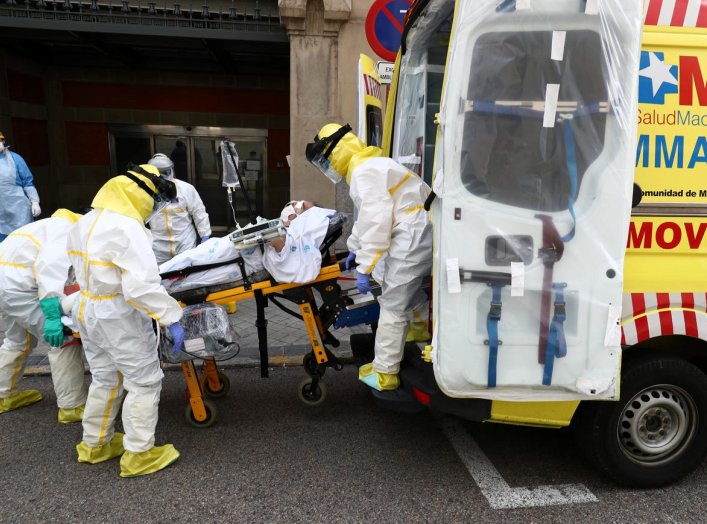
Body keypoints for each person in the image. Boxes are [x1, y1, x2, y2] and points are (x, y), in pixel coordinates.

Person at [68, 164, 185, 478]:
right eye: (155, 198)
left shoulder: (86, 221)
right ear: (140, 194)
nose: (155, 206)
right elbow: (140, 288)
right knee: (144, 382)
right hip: (118, 313)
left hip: (89, 308)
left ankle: (95, 444)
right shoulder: (127, 227)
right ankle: (139, 453)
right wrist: (170, 316)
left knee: (106, 379)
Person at [306, 124, 432, 391]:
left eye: (325, 158)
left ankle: (385, 373)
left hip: (410, 235)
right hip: (413, 231)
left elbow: (377, 220)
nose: (327, 165)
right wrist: (355, 248)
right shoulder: (369, 166)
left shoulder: (364, 172)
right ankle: (420, 328)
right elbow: (369, 219)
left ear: (337, 151)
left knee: (393, 304)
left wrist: (364, 266)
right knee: (400, 285)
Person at [0, 209, 88, 421]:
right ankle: (72, 406)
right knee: (63, 339)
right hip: (22, 290)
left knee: (17, 340)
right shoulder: (67, 231)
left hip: (6, 286)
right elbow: (50, 271)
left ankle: (4, 395)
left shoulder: (44, 226)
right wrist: (52, 317)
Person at [147, 153, 212, 265]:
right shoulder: (145, 191)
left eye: (165, 172)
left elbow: (199, 212)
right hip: (158, 246)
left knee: (187, 275)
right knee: (159, 277)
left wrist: (205, 235)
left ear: (171, 170)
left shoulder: (185, 189)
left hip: (184, 243)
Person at [0, 131, 41, 242]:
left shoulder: (15, 159)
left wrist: (35, 202)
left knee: (22, 242)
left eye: (0, 140)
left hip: (19, 210)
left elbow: (27, 183)